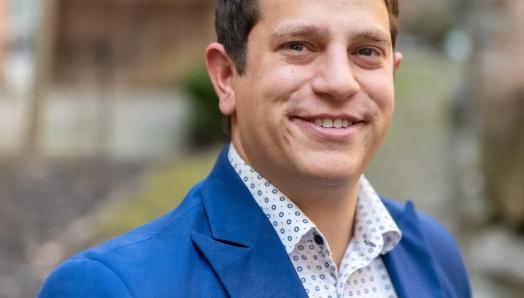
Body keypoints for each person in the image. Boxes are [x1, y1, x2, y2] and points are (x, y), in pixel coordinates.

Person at [38, 0, 471, 297]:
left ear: (392, 74)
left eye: (365, 51)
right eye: (299, 46)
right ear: (226, 77)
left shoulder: (433, 253)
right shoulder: (112, 287)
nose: (340, 81)